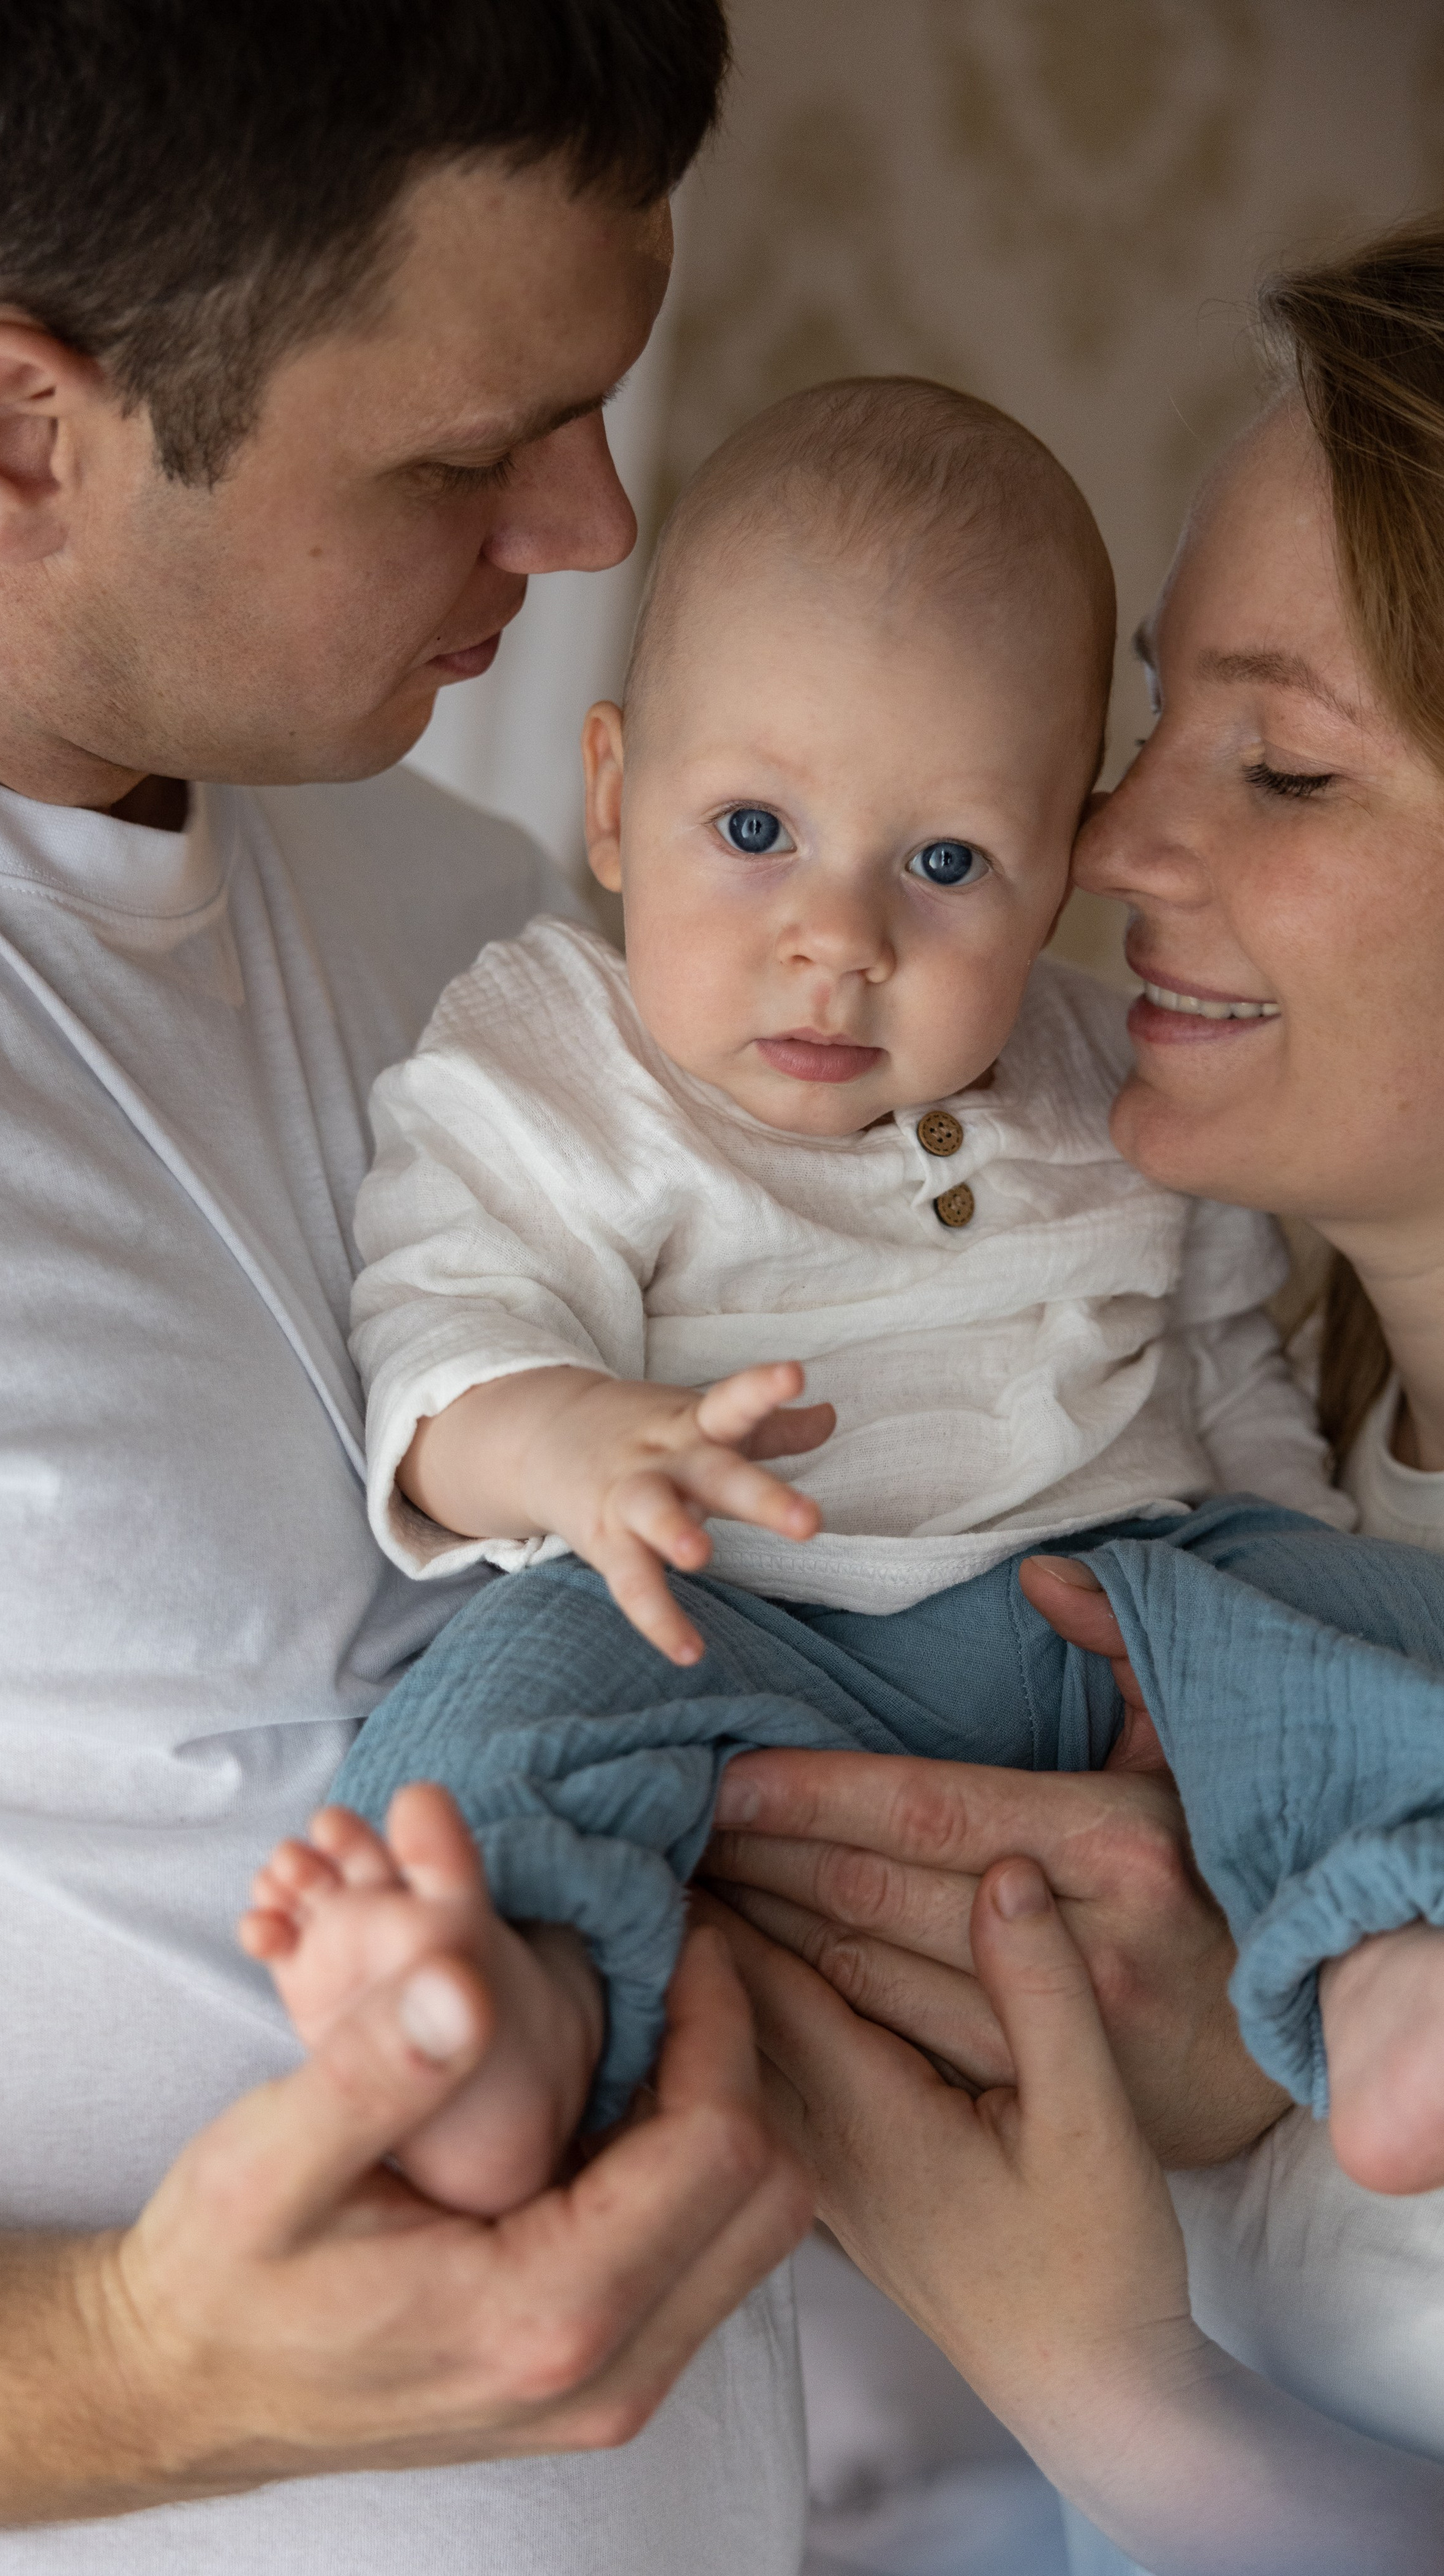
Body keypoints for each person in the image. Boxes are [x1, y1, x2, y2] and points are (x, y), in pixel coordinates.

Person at [0, 5, 818, 2570]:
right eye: (467, 454)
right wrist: (135, 2376)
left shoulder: (485, 939)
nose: (594, 527)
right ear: (14, 439)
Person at [243, 376, 1441, 2224]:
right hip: (742, 1623)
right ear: (615, 800)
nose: (840, 938)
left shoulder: (1104, 1083)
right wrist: (582, 1449)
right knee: (513, 1699)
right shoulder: (560, 1059)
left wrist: (1264, 1596)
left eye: (947, 864)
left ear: (1056, 869)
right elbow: (446, 1338)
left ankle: (1384, 1962)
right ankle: (509, 2013)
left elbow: (1222, 1369)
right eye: (754, 830)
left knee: (1383, 1630)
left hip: (1110, 1601)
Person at [704, 214, 1444, 2573]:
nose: (1108, 841)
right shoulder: (1222, 1466)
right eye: (1155, 715)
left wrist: (1108, 2382)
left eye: (1286, 768)